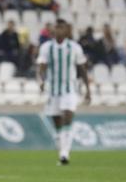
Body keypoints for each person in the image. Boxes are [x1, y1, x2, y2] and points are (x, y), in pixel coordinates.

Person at [37, 19, 91, 166]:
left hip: (70, 90)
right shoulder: (47, 47)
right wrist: (41, 80)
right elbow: (42, 66)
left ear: (66, 30)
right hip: (53, 91)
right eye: (56, 27)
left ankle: (64, 153)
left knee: (68, 116)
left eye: (61, 27)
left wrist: (88, 90)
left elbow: (82, 68)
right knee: (58, 125)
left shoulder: (74, 47)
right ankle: (62, 149)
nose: (58, 30)